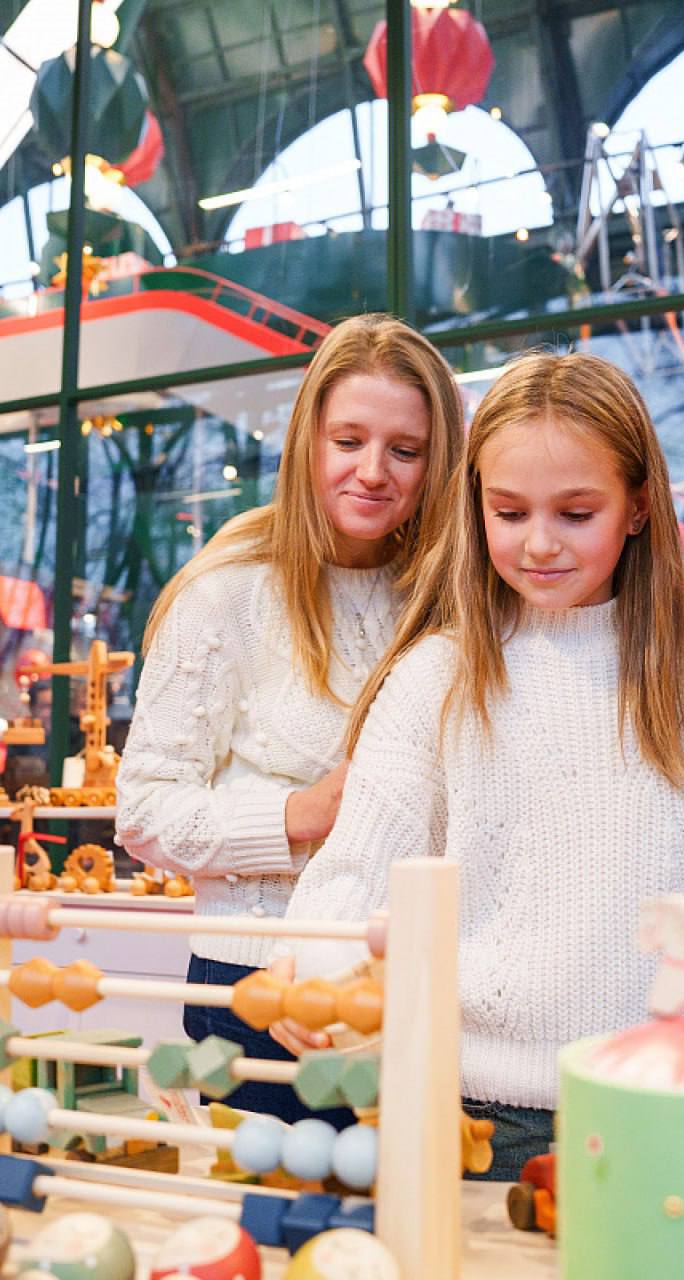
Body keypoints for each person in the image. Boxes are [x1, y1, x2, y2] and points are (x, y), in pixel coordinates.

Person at [270, 352, 684, 1179]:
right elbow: (352, 882)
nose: (540, 543)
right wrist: (316, 974)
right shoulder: (433, 678)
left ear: (635, 509)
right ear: (475, 503)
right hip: (472, 1117)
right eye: (510, 512)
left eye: (576, 512)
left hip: (670, 1112)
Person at [115, 313, 464, 1122]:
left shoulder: (447, 598)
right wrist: (305, 814)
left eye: (404, 450)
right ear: (307, 441)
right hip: (253, 990)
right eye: (348, 441)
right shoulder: (224, 594)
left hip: (407, 982)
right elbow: (142, 813)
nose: (373, 471)